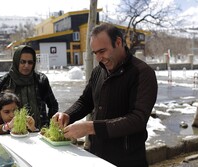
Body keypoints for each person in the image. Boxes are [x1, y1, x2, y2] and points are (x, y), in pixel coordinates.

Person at [53, 23, 158, 167]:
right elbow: (85, 101)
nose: (98, 58)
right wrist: (68, 115)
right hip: (95, 154)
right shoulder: (98, 71)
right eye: (95, 53)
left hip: (127, 159)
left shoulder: (142, 73)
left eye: (102, 51)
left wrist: (90, 127)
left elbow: (137, 119)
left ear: (119, 42)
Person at [0, 45, 58, 130]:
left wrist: (48, 126)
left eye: (30, 62)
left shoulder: (41, 80)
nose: (26, 66)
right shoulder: (2, 83)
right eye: (22, 62)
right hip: (11, 134)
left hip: (37, 133)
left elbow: (53, 105)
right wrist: (4, 128)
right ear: (16, 61)